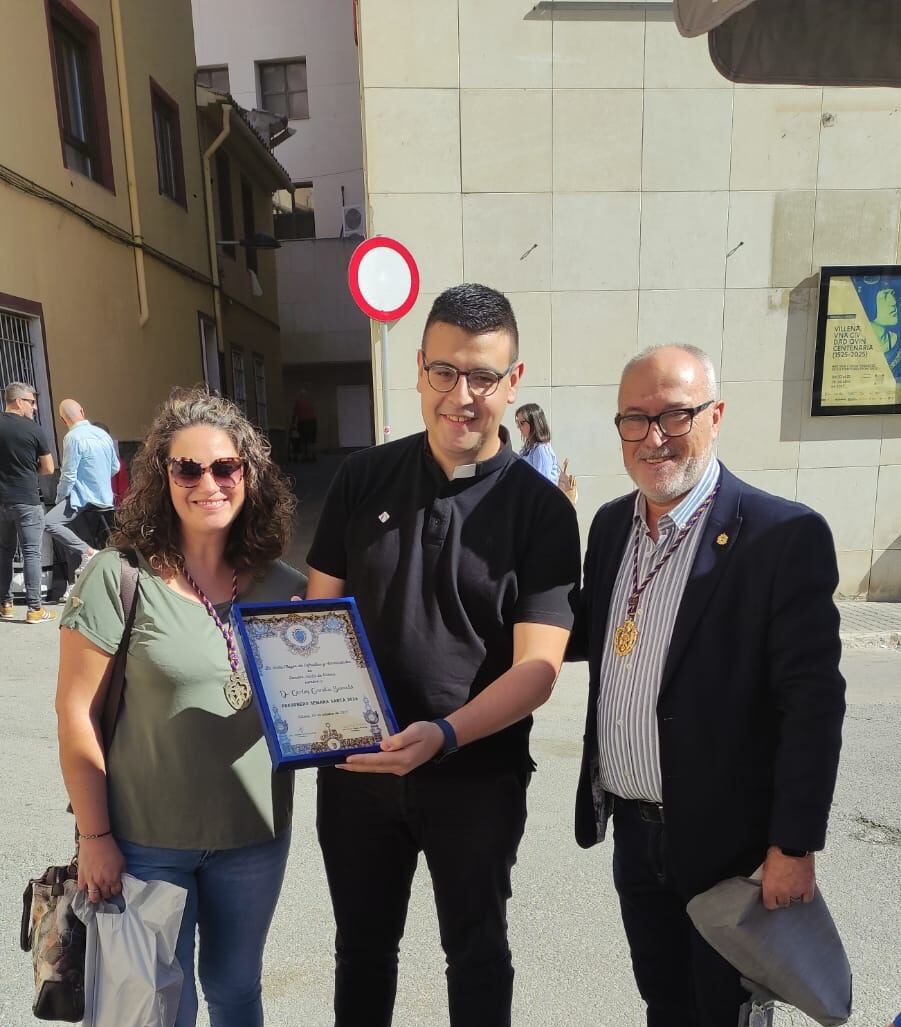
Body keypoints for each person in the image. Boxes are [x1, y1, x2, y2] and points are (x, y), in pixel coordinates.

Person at [306, 283, 581, 1027]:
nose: (462, 397)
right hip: (357, 770)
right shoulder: (363, 478)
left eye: (483, 376)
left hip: (477, 775)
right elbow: (317, 618)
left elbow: (538, 671)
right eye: (445, 372)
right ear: (420, 368)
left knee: (477, 952)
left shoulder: (542, 511)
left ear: (513, 382)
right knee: (362, 952)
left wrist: (446, 733)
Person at [569, 345, 846, 1027]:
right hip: (636, 833)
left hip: (731, 849)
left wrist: (792, 847)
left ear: (715, 416)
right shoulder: (610, 525)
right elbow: (583, 631)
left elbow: (812, 707)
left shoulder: (781, 535)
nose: (653, 437)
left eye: (675, 414)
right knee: (664, 1003)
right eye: (634, 418)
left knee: (725, 1013)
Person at [55, 388, 305, 1027]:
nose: (208, 484)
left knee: (237, 991)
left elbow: (318, 699)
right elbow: (76, 714)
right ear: (161, 479)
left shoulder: (286, 589)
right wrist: (95, 836)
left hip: (253, 837)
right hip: (145, 840)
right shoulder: (119, 576)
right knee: (158, 1004)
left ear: (249, 475)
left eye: (225, 467)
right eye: (187, 469)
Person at [44, 399, 119, 583]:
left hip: (83, 499)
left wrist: (60, 498)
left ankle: (88, 553)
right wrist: (100, 479)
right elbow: (115, 467)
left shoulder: (72, 437)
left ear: (63, 420)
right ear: (82, 412)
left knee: (49, 522)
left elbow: (68, 474)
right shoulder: (103, 435)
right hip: (105, 499)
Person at [0, 381, 56, 623]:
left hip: (1, 501)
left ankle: (5, 604)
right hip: (26, 499)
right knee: (31, 552)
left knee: (4, 551)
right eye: (32, 402)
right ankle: (35, 608)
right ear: (18, 401)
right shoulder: (33, 429)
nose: (34, 407)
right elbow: (49, 468)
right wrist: (29, 471)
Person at [515, 402, 559, 484]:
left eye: (522, 423)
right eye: (518, 423)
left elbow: (542, 483)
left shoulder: (541, 449)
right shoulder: (530, 447)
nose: (518, 427)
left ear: (534, 423)